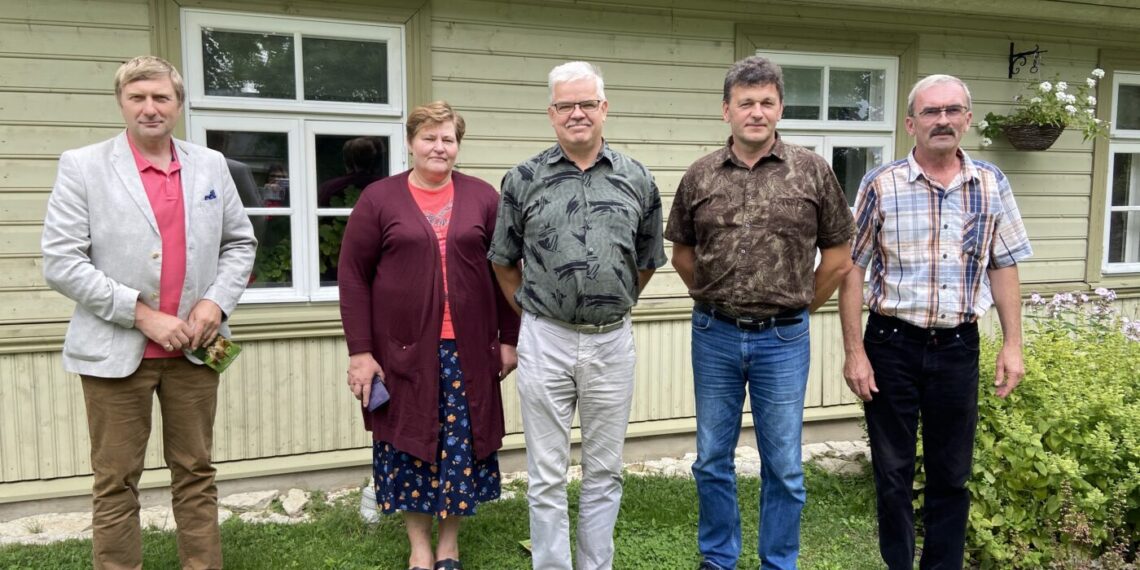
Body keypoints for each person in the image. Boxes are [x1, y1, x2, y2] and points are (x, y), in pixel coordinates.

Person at [40, 55, 257, 570]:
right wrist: (141, 314)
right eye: (137, 97)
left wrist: (214, 302)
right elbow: (61, 261)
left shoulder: (210, 165)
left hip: (198, 350)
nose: (150, 108)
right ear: (122, 103)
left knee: (196, 471)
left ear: (178, 105)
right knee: (115, 479)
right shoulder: (83, 165)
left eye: (161, 97)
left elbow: (240, 244)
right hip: (116, 351)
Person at [665, 55, 855, 570]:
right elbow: (681, 251)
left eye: (766, 102)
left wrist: (797, 306)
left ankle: (778, 562)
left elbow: (838, 256)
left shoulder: (813, 171)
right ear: (726, 109)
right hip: (715, 335)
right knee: (711, 460)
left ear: (780, 108)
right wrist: (712, 293)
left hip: (784, 340)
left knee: (785, 467)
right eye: (746, 103)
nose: (756, 112)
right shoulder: (701, 174)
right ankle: (719, 558)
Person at [837, 74, 1032, 570]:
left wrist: (1013, 345)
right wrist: (854, 352)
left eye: (951, 110)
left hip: (958, 347)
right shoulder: (880, 184)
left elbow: (1004, 263)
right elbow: (852, 269)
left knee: (952, 474)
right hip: (890, 344)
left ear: (967, 119)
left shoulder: (991, 183)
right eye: (930, 112)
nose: (941, 120)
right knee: (893, 473)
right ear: (910, 124)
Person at [488, 61, 667, 570]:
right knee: (545, 473)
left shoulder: (637, 178)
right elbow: (503, 259)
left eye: (587, 103)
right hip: (545, 339)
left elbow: (647, 260)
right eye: (566, 105)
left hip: (612, 342)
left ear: (604, 109)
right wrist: (531, 310)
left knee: (604, 470)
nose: (577, 113)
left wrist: (611, 300)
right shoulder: (523, 179)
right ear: (551, 114)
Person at [338, 101, 520, 570]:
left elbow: (505, 271)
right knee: (410, 445)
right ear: (411, 142)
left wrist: (509, 336)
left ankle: (449, 544)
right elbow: (353, 276)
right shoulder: (379, 199)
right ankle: (419, 547)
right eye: (429, 137)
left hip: (467, 350)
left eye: (448, 139)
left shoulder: (483, 197)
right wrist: (361, 351)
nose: (439, 147)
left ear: (458, 145)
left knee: (460, 444)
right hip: (401, 353)